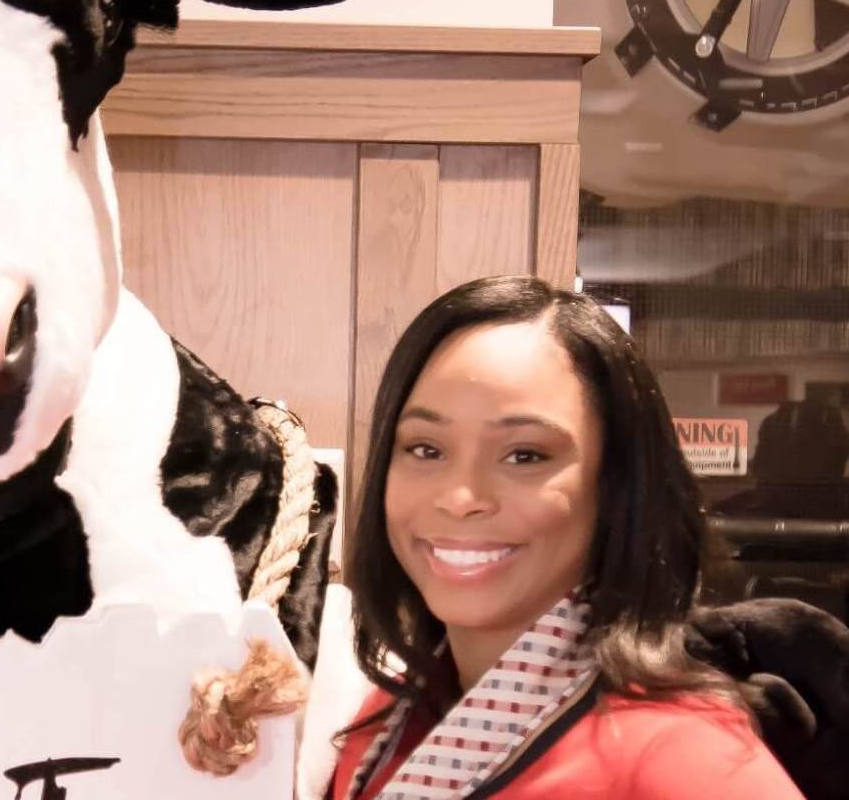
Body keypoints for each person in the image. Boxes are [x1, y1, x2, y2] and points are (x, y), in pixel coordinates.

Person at [332, 276, 803, 799]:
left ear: (615, 486)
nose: (460, 497)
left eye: (525, 455)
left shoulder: (687, 756)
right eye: (425, 448)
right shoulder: (391, 714)